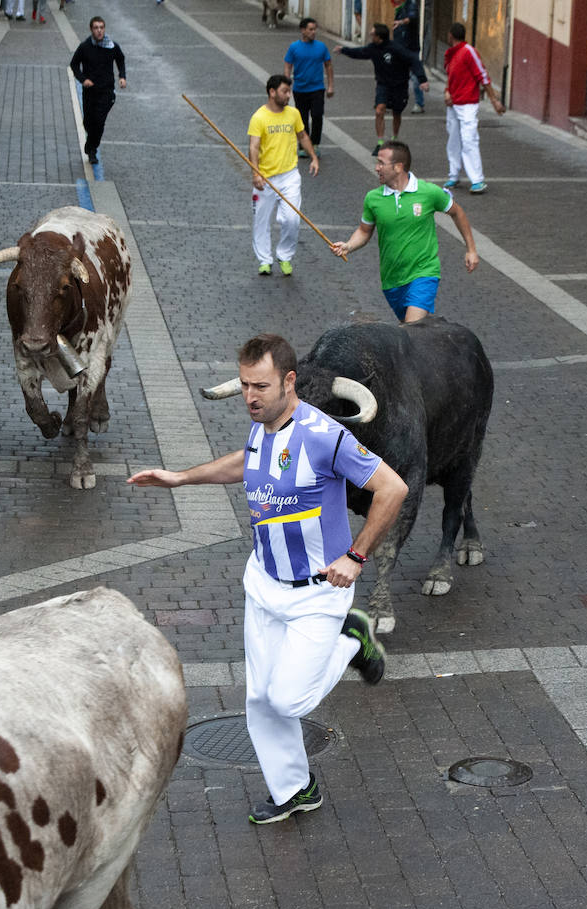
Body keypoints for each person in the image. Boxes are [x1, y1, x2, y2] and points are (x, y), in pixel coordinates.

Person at [128, 333, 407, 824]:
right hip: (262, 583)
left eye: (260, 386)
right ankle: (295, 789)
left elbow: (393, 488)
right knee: (259, 700)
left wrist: (357, 557)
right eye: (244, 386)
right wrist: (180, 478)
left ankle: (351, 640)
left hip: (318, 593)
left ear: (289, 381)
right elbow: (246, 462)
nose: (250, 397)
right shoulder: (261, 425)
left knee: (288, 698)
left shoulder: (325, 436)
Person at [331, 140, 479, 322]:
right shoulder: (373, 199)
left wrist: (471, 250)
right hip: (392, 281)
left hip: (424, 274)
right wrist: (348, 246)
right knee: (412, 336)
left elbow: (457, 212)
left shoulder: (428, 192)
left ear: (398, 167)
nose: (377, 168)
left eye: (381, 163)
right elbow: (364, 231)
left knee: (411, 329)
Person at [247, 74, 318, 277]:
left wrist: (313, 156)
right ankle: (264, 260)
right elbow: (254, 146)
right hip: (265, 179)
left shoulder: (293, 114)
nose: (288, 96)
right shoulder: (259, 117)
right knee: (261, 222)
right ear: (272, 92)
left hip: (289, 176)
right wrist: (256, 173)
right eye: (285, 91)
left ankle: (284, 255)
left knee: (292, 219)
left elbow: (302, 136)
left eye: (289, 92)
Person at [335, 25, 429, 152]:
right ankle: (380, 142)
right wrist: (344, 50)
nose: (370, 34)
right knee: (379, 110)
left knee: (397, 112)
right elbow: (360, 52)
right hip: (383, 84)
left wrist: (422, 79)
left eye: (372, 33)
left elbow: (414, 60)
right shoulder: (373, 48)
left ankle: (394, 138)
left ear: (379, 37)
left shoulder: (396, 49)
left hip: (399, 85)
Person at [443, 22, 504, 195]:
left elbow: (482, 75)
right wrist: (447, 92)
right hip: (454, 104)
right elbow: (451, 77)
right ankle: (454, 174)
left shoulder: (468, 51)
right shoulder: (450, 54)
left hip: (468, 103)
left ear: (451, 35)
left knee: (469, 139)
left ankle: (477, 180)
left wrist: (494, 101)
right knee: (453, 140)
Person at [69, 18, 126, 165]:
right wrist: (83, 79)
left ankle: (92, 149)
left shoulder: (112, 46)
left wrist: (122, 76)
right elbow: (74, 64)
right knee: (88, 122)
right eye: (96, 28)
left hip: (106, 92)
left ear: (105, 29)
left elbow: (120, 59)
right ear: (91, 29)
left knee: (99, 123)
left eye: (101, 27)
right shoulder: (85, 47)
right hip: (90, 92)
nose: (99, 30)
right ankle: (91, 143)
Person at [283, 18, 333, 158]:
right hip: (300, 89)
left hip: (317, 88)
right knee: (302, 119)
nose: (313, 32)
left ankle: (315, 144)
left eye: (314, 29)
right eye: (310, 29)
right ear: (303, 30)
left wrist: (330, 86)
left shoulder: (321, 47)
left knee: (317, 116)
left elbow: (328, 65)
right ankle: (304, 146)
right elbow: (288, 64)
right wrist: (287, 84)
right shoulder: (294, 47)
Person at [391, 0, 425, 113]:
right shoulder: (401, 7)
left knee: (415, 77)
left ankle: (419, 104)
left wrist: (400, 22)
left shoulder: (412, 5)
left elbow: (412, 18)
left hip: (411, 48)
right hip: (401, 48)